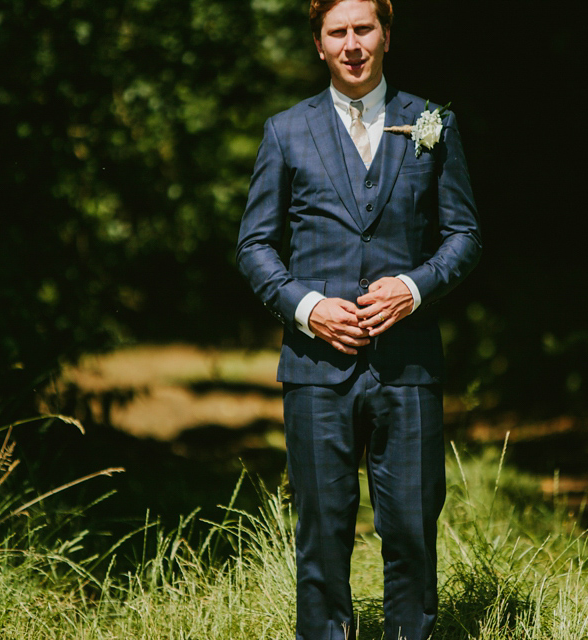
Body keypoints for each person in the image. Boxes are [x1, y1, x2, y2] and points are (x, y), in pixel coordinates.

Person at [236, 0, 481, 637]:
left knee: (412, 530)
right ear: (319, 45)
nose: (352, 44)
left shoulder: (432, 123)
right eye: (337, 32)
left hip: (410, 367)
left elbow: (464, 235)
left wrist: (413, 287)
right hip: (316, 371)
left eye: (363, 29)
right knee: (322, 534)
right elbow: (254, 246)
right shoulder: (286, 131)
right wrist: (308, 308)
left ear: (387, 37)